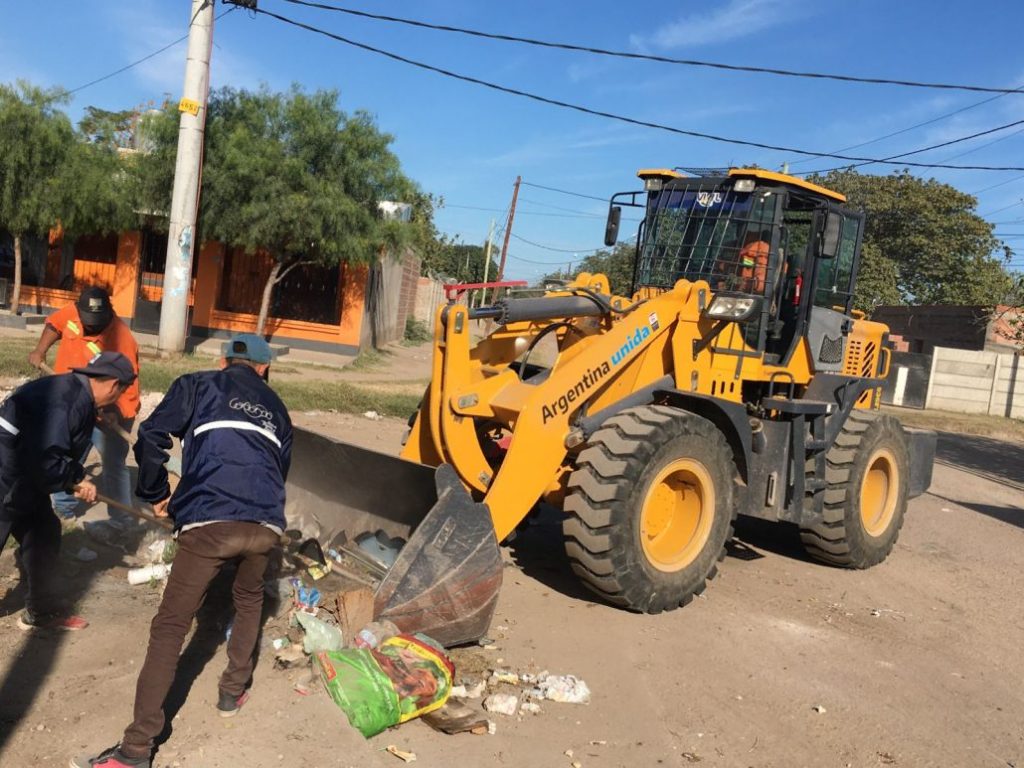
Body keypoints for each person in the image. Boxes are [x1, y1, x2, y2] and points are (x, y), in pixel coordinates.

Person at [75, 334, 292, 768]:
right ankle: (232, 691)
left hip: (212, 520)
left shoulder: (197, 384)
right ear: (264, 369)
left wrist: (156, 491)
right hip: (267, 525)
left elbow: (152, 437)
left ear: (223, 360)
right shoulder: (279, 410)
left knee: (172, 624)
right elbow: (277, 471)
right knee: (249, 599)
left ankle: (135, 750)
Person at [0, 352, 137, 631]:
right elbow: (48, 460)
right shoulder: (70, 403)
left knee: (43, 533)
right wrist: (76, 481)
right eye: (121, 391)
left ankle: (41, 611)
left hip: (24, 470)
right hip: (8, 472)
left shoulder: (74, 392)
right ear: (113, 386)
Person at [28, 286, 141, 526]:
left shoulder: (123, 340)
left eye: (96, 322)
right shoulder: (73, 312)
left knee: (113, 464)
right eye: (87, 320)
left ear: (109, 312)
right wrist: (40, 350)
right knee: (65, 455)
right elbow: (53, 325)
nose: (91, 326)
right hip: (71, 403)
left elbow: (129, 389)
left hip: (107, 411)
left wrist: (114, 412)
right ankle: (64, 510)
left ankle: (121, 521)